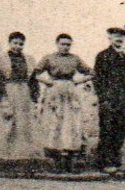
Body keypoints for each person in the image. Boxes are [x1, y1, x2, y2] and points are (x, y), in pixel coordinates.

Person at [34, 34, 92, 173]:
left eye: (68, 44)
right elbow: (35, 73)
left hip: (70, 90)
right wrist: (47, 81)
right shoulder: (49, 58)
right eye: (62, 44)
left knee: (70, 122)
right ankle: (55, 158)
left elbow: (91, 72)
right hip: (54, 90)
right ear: (57, 44)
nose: (65, 47)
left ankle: (69, 157)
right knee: (54, 121)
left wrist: (78, 81)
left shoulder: (75, 59)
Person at [0, 32, 43, 163]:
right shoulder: (0, 58)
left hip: (24, 93)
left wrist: (35, 98)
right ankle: (5, 157)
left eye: (21, 44)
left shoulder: (29, 59)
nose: (18, 46)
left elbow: (33, 81)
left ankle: (22, 156)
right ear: (9, 43)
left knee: (24, 125)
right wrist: (2, 99)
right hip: (9, 92)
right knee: (7, 123)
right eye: (15, 43)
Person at [92, 26, 125, 174]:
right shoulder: (103, 56)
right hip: (109, 100)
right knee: (107, 130)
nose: (119, 39)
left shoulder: (124, 57)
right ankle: (104, 163)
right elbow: (98, 80)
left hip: (121, 100)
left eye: (122, 36)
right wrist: (103, 98)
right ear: (109, 38)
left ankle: (116, 161)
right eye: (116, 36)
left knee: (120, 131)